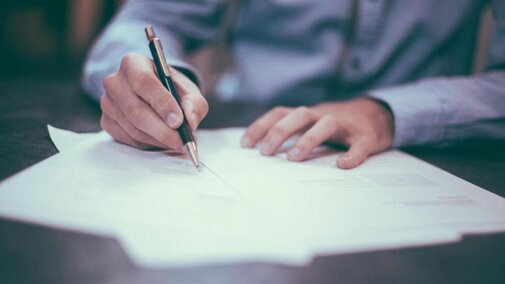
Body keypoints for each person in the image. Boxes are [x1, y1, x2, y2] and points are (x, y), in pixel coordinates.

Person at [83, 0, 505, 169]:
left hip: (423, 153)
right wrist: (160, 81)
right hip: (247, 136)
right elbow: (143, 21)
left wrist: (388, 112)